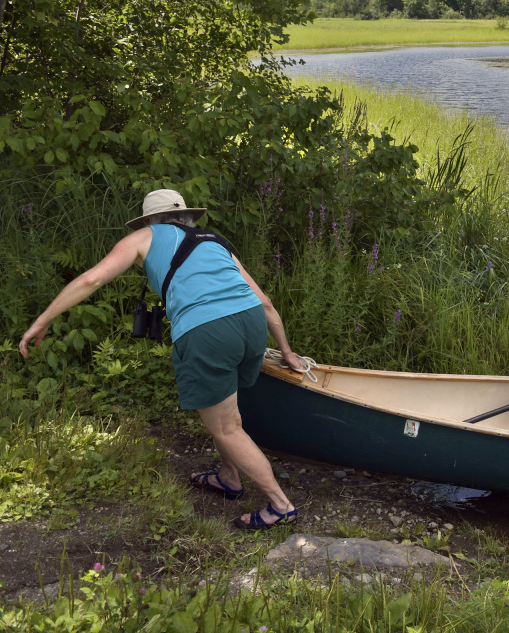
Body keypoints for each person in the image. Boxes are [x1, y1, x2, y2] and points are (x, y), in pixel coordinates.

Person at [19, 189, 305, 528]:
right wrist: (285, 351)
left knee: (227, 427)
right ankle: (229, 477)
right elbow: (267, 303)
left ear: (149, 219)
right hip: (252, 323)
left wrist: (43, 319)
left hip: (207, 331)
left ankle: (280, 505)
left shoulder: (143, 236)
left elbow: (92, 278)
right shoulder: (214, 241)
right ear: (186, 217)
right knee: (225, 411)